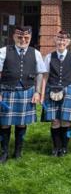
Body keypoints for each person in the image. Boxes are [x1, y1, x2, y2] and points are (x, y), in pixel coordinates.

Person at [0, 26, 46, 162]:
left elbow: (40, 74)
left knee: (21, 123)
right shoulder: (3, 51)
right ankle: (4, 153)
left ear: (30, 38)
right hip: (7, 91)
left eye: (26, 37)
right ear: (14, 36)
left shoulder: (35, 53)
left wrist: (37, 92)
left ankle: (18, 152)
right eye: (20, 37)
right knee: (4, 123)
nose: (23, 40)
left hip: (27, 91)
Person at [41, 31, 71, 156]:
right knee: (55, 120)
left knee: (66, 120)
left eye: (64, 41)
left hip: (68, 89)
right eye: (59, 40)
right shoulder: (49, 57)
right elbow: (45, 77)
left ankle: (64, 147)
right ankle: (56, 147)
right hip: (51, 89)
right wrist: (42, 94)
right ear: (55, 41)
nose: (61, 43)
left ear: (68, 43)